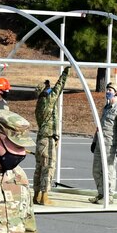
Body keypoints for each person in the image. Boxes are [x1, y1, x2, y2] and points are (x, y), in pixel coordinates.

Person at [32, 65, 71, 206]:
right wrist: (66, 73)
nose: (49, 87)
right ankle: (45, 196)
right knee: (48, 167)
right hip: (47, 138)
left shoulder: (39, 105)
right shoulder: (48, 100)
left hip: (41, 137)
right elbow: (59, 87)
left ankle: (36, 195)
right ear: (44, 90)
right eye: (47, 86)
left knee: (39, 167)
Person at [90, 82, 117, 203]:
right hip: (100, 144)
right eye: (107, 90)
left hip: (110, 146)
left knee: (108, 171)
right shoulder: (106, 108)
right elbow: (100, 127)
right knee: (96, 170)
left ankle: (109, 196)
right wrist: (94, 141)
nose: (107, 92)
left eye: (110, 90)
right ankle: (101, 194)